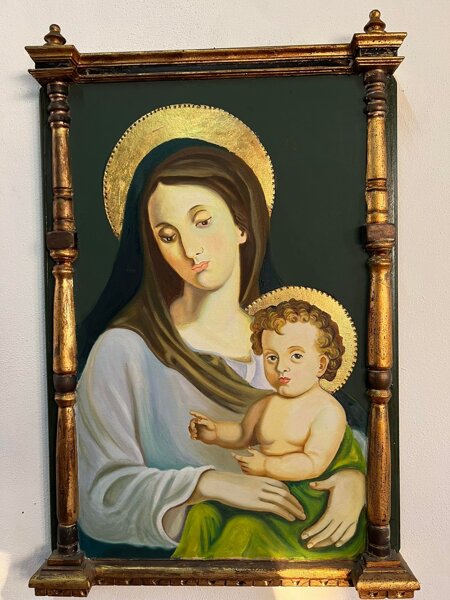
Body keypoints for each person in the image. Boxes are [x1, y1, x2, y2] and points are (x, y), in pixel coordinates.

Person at [76, 136, 366, 558]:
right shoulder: (125, 353)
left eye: (202, 221)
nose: (189, 249)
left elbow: (341, 435)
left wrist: (355, 481)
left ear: (241, 225)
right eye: (167, 235)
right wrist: (207, 484)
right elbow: (97, 498)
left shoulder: (288, 340)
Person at [175, 298, 365, 559]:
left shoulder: (327, 410)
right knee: (202, 513)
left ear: (321, 364)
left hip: (302, 504)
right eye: (272, 357)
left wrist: (266, 466)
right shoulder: (265, 405)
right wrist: (215, 433)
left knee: (244, 529)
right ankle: (188, 575)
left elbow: (313, 463)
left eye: (296, 356)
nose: (281, 367)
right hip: (263, 492)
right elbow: (243, 434)